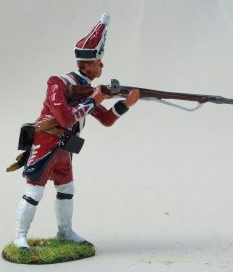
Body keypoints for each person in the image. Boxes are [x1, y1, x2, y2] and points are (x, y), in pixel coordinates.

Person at [13, 13, 140, 248]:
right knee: (34, 192)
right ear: (86, 64)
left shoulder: (88, 90)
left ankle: (65, 232)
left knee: (67, 189)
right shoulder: (58, 83)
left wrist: (126, 104)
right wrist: (94, 100)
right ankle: (20, 237)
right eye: (99, 61)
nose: (102, 65)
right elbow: (64, 117)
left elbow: (106, 119)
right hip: (46, 143)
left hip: (66, 147)